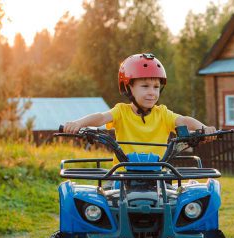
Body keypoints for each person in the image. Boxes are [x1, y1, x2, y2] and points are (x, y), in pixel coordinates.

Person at [63, 53, 215, 162]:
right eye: (145, 86)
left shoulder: (162, 113)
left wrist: (204, 128)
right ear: (129, 88)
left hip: (158, 176)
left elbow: (183, 120)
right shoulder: (121, 111)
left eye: (156, 87)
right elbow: (101, 118)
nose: (152, 93)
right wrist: (78, 124)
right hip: (123, 176)